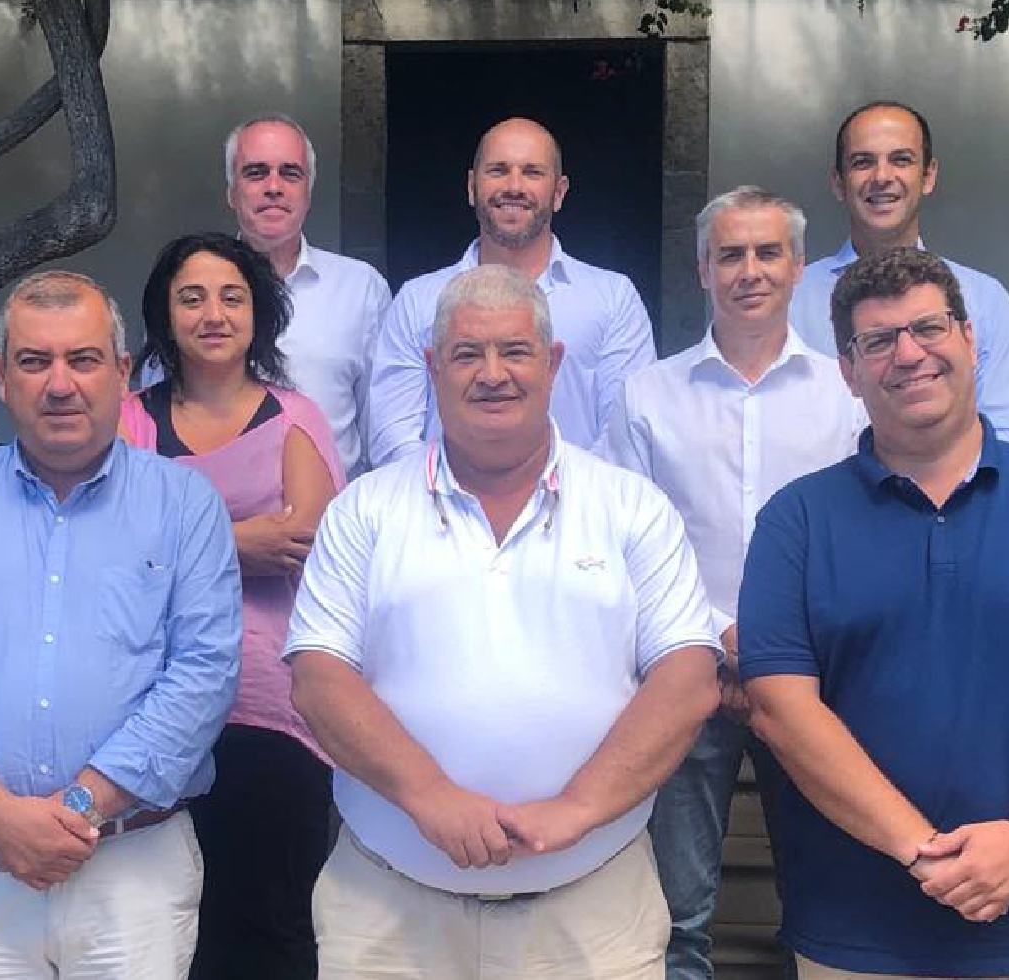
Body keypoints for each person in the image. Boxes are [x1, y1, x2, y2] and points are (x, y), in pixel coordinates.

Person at [286, 264, 721, 980]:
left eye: (515, 351)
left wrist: (580, 806)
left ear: (553, 361)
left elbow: (689, 677)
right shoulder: (364, 510)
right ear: (433, 367)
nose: (493, 374)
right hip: (389, 914)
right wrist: (429, 795)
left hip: (592, 915)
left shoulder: (632, 508)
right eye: (468, 354)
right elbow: (318, 677)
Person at [739, 247, 1009, 979]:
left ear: (969, 339)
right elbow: (781, 710)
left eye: (928, 328)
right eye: (878, 340)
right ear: (848, 370)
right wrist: (925, 854)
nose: (909, 354)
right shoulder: (796, 521)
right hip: (859, 933)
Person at [0, 270, 241, 979]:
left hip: (133, 870)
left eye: (82, 359)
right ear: (1, 376)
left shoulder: (186, 506)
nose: (59, 384)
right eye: (34, 361)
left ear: (121, 372)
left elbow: (203, 676)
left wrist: (80, 805)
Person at [605, 186, 866, 980]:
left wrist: (777, 647)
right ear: (702, 269)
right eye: (730, 255)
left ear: (798, 266)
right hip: (686, 676)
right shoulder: (648, 395)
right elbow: (627, 540)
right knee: (677, 913)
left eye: (767, 252)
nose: (749, 270)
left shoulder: (848, 393)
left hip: (818, 681)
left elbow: (863, 537)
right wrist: (720, 635)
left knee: (825, 909)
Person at [122, 233, 345, 980]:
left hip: (270, 706)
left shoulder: (295, 417)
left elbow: (301, 544)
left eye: (231, 297)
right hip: (147, 708)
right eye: (191, 298)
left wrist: (176, 546)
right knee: (167, 927)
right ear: (165, 315)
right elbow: (111, 556)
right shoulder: (128, 422)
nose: (213, 314)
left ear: (259, 313)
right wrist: (238, 540)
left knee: (272, 920)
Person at [367, 116, 655, 467]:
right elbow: (392, 436)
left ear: (559, 192)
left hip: (582, 501)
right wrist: (448, 492)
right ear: (472, 187)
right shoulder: (417, 301)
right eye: (498, 171)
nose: (514, 186)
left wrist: (559, 492)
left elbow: (624, 436)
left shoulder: (613, 299)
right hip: (436, 500)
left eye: (532, 172)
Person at [144, 114, 390, 480]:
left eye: (290, 173)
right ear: (232, 193)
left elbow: (380, 426)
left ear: (308, 192)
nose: (274, 187)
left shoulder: (362, 289)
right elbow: (153, 418)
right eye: (256, 173)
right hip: (206, 507)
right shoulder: (185, 292)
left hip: (332, 510)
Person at [789, 100, 1009, 448]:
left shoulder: (984, 298)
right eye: (863, 162)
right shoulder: (791, 300)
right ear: (838, 182)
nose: (882, 177)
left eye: (901, 160)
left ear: (928, 176)